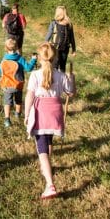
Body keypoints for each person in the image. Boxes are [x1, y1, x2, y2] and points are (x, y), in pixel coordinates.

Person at [24, 42, 76, 200]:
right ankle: (48, 168)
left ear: (39, 58)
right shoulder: (61, 75)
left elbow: (30, 96)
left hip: (41, 112)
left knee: (42, 150)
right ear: (55, 58)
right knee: (48, 141)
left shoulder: (35, 75)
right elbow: (70, 93)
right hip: (55, 112)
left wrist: (26, 115)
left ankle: (50, 185)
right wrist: (72, 80)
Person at [0, 38, 37, 127]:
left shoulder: (4, 59)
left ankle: (7, 119)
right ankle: (17, 114)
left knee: (7, 102)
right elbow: (28, 68)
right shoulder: (20, 58)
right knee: (18, 100)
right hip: (17, 84)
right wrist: (33, 60)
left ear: (6, 48)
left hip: (6, 85)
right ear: (16, 48)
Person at [44, 6, 76, 72]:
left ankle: (57, 80)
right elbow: (72, 38)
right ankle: (58, 81)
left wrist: (74, 49)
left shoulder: (65, 24)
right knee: (59, 66)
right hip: (60, 48)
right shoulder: (65, 23)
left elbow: (48, 35)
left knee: (58, 66)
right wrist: (73, 49)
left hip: (60, 48)